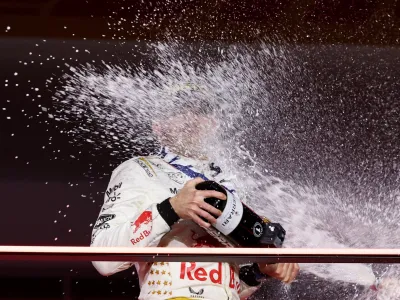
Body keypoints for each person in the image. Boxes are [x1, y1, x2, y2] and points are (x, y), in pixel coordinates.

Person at [90, 107, 300, 300]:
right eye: (179, 109)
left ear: (214, 125)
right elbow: (104, 260)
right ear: (158, 126)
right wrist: (171, 208)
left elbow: (227, 286)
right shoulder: (140, 169)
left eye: (201, 110)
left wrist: (259, 272)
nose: (191, 118)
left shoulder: (232, 184)